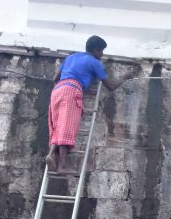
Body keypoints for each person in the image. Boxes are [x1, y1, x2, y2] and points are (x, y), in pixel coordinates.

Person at [46, 35, 123, 174]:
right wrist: (125, 78)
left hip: (57, 90)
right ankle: (62, 166)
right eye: (101, 51)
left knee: (58, 126)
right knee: (67, 127)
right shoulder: (94, 62)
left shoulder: (71, 57)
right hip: (72, 90)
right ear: (95, 50)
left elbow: (54, 78)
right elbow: (110, 86)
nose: (102, 54)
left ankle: (51, 153)